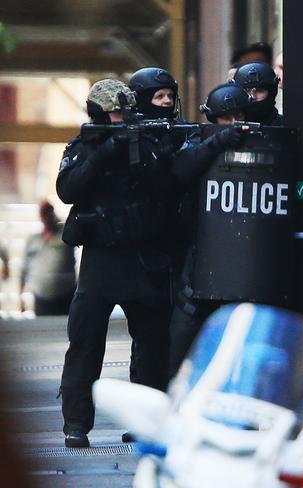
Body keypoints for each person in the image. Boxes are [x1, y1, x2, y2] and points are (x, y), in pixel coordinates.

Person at [57, 79, 179, 448]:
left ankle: (144, 421)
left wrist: (145, 149)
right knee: (84, 341)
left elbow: (169, 186)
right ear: (98, 114)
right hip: (101, 258)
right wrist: (104, 152)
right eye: (114, 113)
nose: (122, 118)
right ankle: (76, 424)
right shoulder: (85, 145)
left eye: (126, 112)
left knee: (152, 343)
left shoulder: (148, 140)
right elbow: (68, 190)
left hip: (143, 255)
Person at [167, 83, 252, 379]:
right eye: (225, 118)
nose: (232, 123)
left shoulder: (265, 137)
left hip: (248, 254)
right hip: (203, 249)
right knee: (184, 328)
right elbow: (181, 169)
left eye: (237, 116)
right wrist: (219, 142)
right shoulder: (197, 138)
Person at [19, 200, 75, 315]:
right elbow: (24, 269)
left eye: (49, 212)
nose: (47, 216)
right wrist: (21, 297)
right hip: (41, 299)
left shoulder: (65, 234)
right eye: (44, 213)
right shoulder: (34, 240)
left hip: (65, 296)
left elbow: (75, 228)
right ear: (40, 215)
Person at [232, 62, 283, 126]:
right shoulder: (229, 124)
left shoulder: (284, 125)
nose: (253, 96)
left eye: (259, 91)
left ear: (271, 93)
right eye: (247, 91)